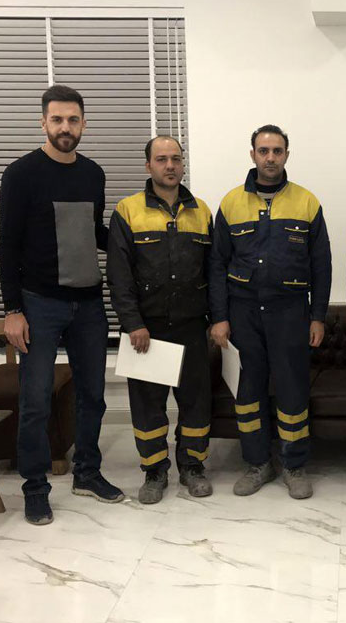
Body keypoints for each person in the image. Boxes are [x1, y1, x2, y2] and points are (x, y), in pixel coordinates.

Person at [0, 84, 123, 526]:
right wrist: (12, 309)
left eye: (72, 120)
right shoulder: (21, 174)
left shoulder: (93, 174)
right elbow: (7, 244)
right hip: (38, 305)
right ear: (43, 123)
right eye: (57, 120)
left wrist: (135, 244)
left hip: (88, 304)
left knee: (93, 396)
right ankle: (35, 488)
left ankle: (87, 472)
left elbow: (93, 233)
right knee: (36, 402)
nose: (65, 127)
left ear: (84, 123)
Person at [209, 124, 331, 500]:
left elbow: (321, 265)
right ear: (253, 155)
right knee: (248, 392)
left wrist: (317, 316)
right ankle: (257, 463)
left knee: (293, 390)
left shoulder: (306, 202)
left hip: (290, 312)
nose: (270, 158)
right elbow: (217, 265)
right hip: (243, 312)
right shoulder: (231, 203)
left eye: (277, 151)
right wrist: (219, 317)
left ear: (286, 155)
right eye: (263, 151)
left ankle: (294, 465)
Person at [107, 136, 214, 504]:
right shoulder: (127, 211)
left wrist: (216, 319)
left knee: (196, 402)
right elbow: (119, 275)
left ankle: (193, 466)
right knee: (148, 404)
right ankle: (154, 471)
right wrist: (133, 322)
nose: (170, 166)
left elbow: (214, 271)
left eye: (176, 159)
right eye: (162, 159)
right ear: (148, 165)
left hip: (192, 326)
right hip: (147, 330)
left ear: (183, 164)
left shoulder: (201, 211)